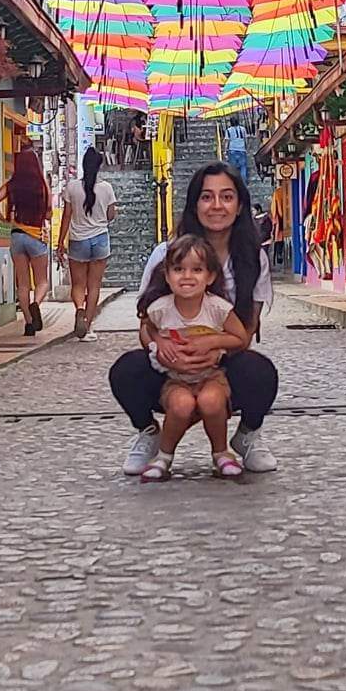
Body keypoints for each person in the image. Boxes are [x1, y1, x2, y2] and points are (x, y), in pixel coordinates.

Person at [108, 162, 280, 477]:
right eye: (207, 197)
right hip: (169, 365)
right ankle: (149, 434)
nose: (217, 206)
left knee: (261, 372)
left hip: (223, 365)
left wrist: (216, 351)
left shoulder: (252, 259)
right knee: (127, 370)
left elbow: (249, 327)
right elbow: (146, 325)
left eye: (226, 197)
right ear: (194, 204)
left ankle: (247, 436)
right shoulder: (165, 255)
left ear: (240, 205)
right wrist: (163, 349)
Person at [134, 235, 248, 481]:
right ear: (167, 276)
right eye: (178, 269)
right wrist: (158, 343)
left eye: (196, 270)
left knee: (211, 400)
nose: (187, 276)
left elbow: (240, 338)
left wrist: (212, 341)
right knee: (181, 404)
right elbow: (146, 327)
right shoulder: (161, 308)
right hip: (175, 378)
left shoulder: (218, 308)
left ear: (210, 276)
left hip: (212, 376)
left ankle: (221, 453)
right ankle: (164, 455)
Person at [56, 145, 115, 340]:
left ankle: (79, 308)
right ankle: (88, 327)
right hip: (100, 239)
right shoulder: (106, 188)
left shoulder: (72, 187)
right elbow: (110, 215)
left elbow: (66, 216)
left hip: (78, 239)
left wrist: (60, 243)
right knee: (94, 285)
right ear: (99, 166)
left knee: (78, 284)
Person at [0, 138, 51, 336]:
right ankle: (36, 303)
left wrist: (5, 219)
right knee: (42, 281)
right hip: (36, 237)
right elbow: (49, 212)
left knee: (23, 283)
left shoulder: (12, 185)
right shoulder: (42, 186)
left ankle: (28, 323)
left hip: (17, 236)